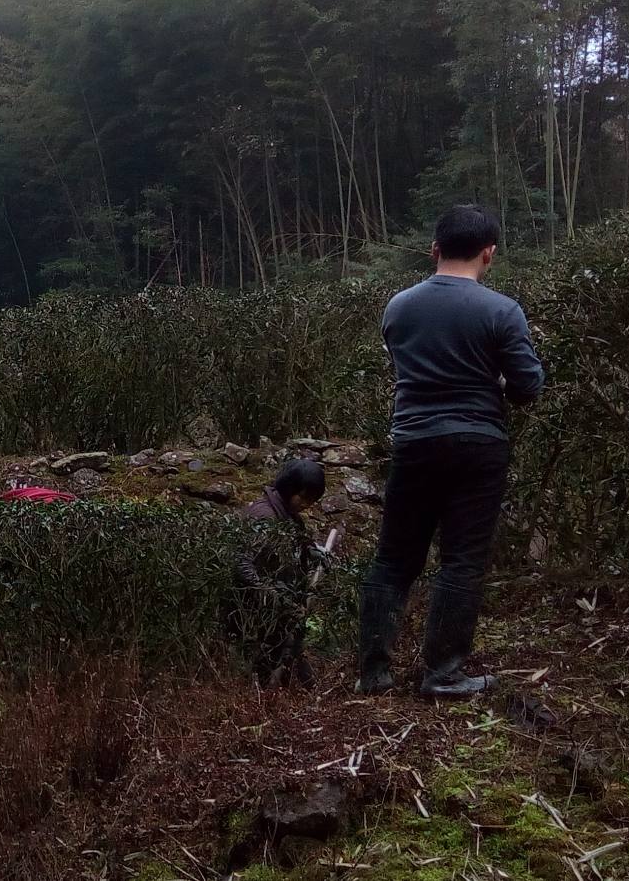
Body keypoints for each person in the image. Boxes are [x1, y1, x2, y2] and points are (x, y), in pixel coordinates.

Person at [356, 205, 544, 699]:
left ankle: (373, 673)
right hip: (478, 444)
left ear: (434, 249)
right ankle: (442, 675)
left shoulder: (398, 307)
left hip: (413, 441)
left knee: (393, 560)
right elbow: (528, 387)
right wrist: (498, 382)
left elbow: (403, 367)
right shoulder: (502, 311)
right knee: (461, 560)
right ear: (489, 254)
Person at [233, 459, 328, 687]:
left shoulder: (290, 518)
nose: (306, 504)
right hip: (254, 616)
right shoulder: (264, 516)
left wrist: (314, 553)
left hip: (278, 617)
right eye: (303, 497)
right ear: (289, 488)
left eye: (311, 500)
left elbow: (300, 551)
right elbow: (242, 564)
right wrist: (273, 598)